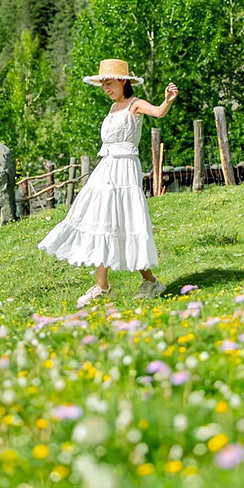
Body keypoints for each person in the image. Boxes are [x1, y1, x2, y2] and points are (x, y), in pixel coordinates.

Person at [37, 58, 178, 308]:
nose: (107, 89)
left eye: (110, 83)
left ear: (123, 81)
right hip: (106, 169)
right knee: (101, 220)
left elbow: (157, 112)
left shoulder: (134, 105)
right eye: (103, 84)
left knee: (127, 221)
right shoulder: (112, 109)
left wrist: (167, 101)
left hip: (125, 169)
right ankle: (102, 286)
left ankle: (151, 281)